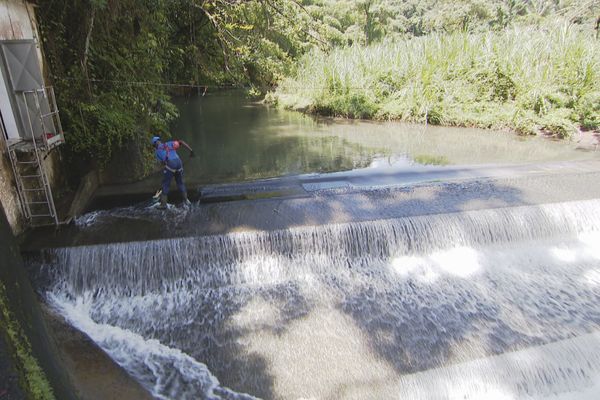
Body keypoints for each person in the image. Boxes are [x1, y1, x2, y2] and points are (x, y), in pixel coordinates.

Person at [152, 135, 195, 208]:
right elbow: (181, 141)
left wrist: (165, 168)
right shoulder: (169, 143)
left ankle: (163, 204)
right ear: (160, 141)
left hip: (171, 164)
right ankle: (186, 200)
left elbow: (163, 163)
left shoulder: (156, 152)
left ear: (154, 145)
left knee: (165, 184)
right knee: (180, 183)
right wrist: (191, 151)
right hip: (179, 162)